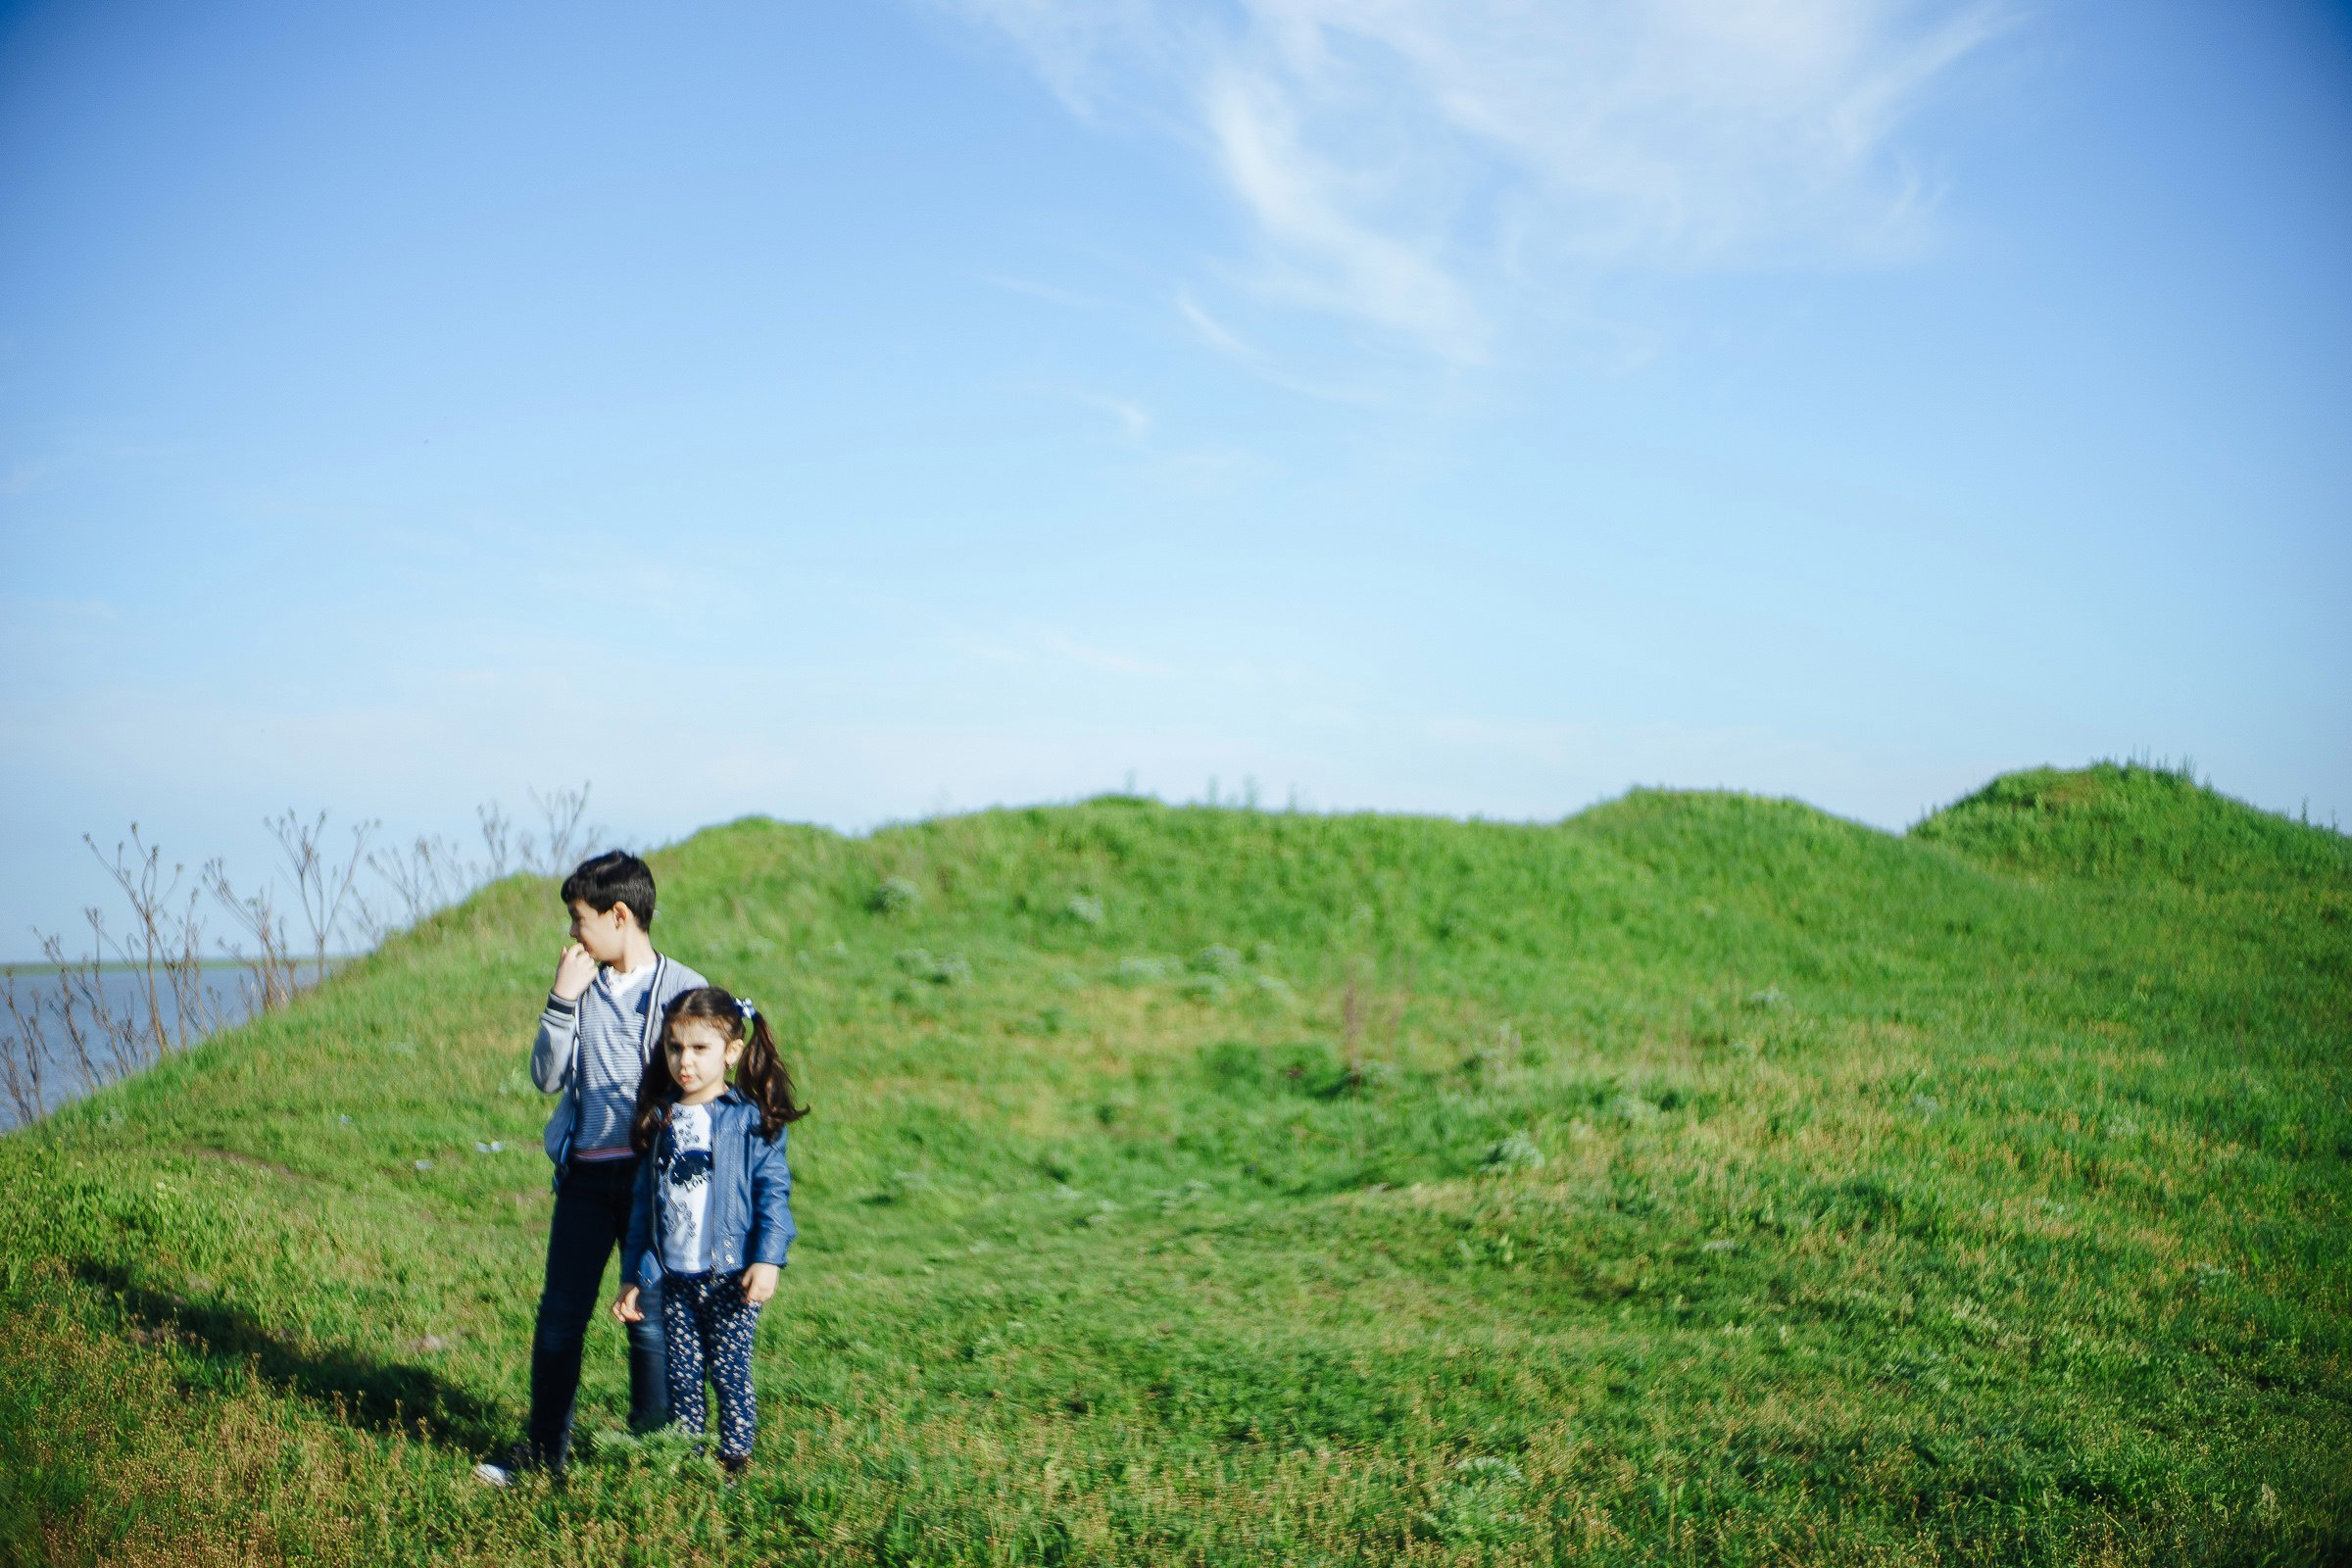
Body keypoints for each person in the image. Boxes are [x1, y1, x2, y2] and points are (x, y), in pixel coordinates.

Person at [475, 851, 707, 1486]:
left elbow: (707, 1086)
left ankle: (655, 1457)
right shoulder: (579, 987)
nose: (573, 933)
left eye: (580, 919)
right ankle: (542, 1453)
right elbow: (547, 1078)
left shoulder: (683, 991)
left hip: (651, 1188)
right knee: (559, 1318)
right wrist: (560, 1001)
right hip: (583, 1180)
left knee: (649, 1323)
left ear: (620, 915)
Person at [613, 986, 805, 1476]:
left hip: (731, 1275)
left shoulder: (750, 1121)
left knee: (728, 1368)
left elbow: (772, 1194)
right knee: (682, 1375)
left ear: (731, 1052)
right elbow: (643, 1209)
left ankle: (735, 1458)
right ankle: (688, 1456)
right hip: (675, 1276)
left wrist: (768, 1259)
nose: (685, 1061)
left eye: (700, 1049)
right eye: (676, 1048)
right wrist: (634, 1275)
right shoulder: (660, 1118)